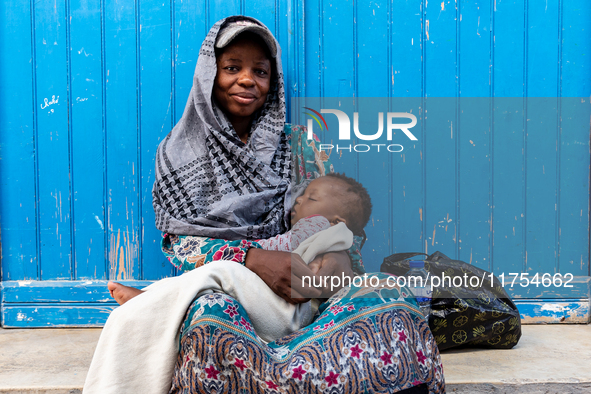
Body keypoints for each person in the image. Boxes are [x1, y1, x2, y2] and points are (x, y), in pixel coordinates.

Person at [90, 15, 444, 394]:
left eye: (260, 71)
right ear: (209, 74)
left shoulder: (299, 144)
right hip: (231, 295)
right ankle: (158, 308)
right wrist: (255, 259)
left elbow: (338, 220)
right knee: (207, 315)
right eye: (232, 68)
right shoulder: (179, 153)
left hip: (304, 289)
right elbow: (182, 244)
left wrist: (335, 264)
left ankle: (155, 304)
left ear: (271, 83)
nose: (247, 80)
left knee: (388, 296)